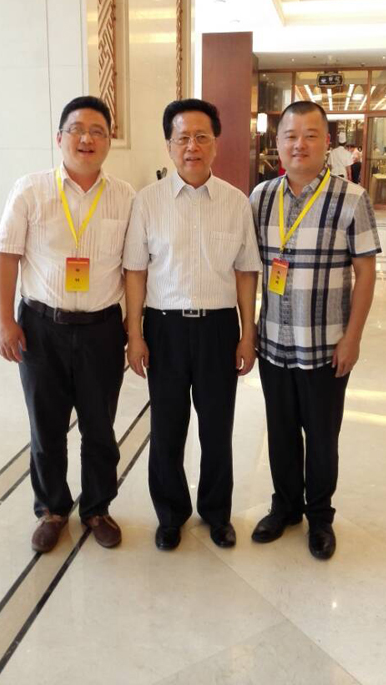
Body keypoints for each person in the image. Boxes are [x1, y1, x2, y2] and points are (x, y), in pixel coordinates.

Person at [0, 96, 134, 553]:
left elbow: (135, 270)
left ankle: (97, 508)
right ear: (59, 138)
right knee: (46, 426)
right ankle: (52, 509)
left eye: (97, 131)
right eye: (77, 129)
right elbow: (6, 255)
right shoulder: (30, 190)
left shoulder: (125, 197)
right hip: (41, 327)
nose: (87, 138)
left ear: (109, 140)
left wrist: (134, 330)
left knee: (100, 428)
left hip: (102, 329)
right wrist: (4, 321)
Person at [123, 98, 261, 551]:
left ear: (216, 144)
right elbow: (135, 271)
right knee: (167, 428)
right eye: (182, 137)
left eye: (202, 137)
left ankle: (217, 513)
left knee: (217, 429)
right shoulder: (147, 202)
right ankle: (170, 514)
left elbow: (246, 271)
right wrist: (135, 334)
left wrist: (247, 333)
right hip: (164, 329)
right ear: (169, 145)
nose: (192, 146)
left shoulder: (235, 202)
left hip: (219, 329)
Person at [250, 101, 381, 560]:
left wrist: (353, 338)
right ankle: (285, 507)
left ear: (327, 142)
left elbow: (366, 272)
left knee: (322, 436)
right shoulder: (261, 197)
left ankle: (320, 517)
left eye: (310, 135)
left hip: (325, 346)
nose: (299, 144)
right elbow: (246, 269)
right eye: (290, 135)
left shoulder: (352, 198)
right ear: (278, 142)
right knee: (280, 430)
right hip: (273, 342)